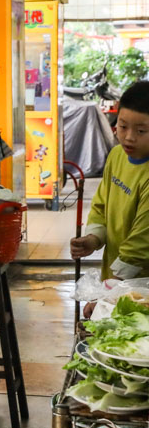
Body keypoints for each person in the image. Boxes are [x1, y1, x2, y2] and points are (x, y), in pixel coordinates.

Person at [71, 80, 149, 280]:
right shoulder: (116, 156)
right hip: (115, 277)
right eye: (123, 126)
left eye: (141, 131)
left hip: (140, 284)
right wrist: (93, 238)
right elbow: (101, 206)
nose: (129, 137)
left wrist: (108, 292)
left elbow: (140, 246)